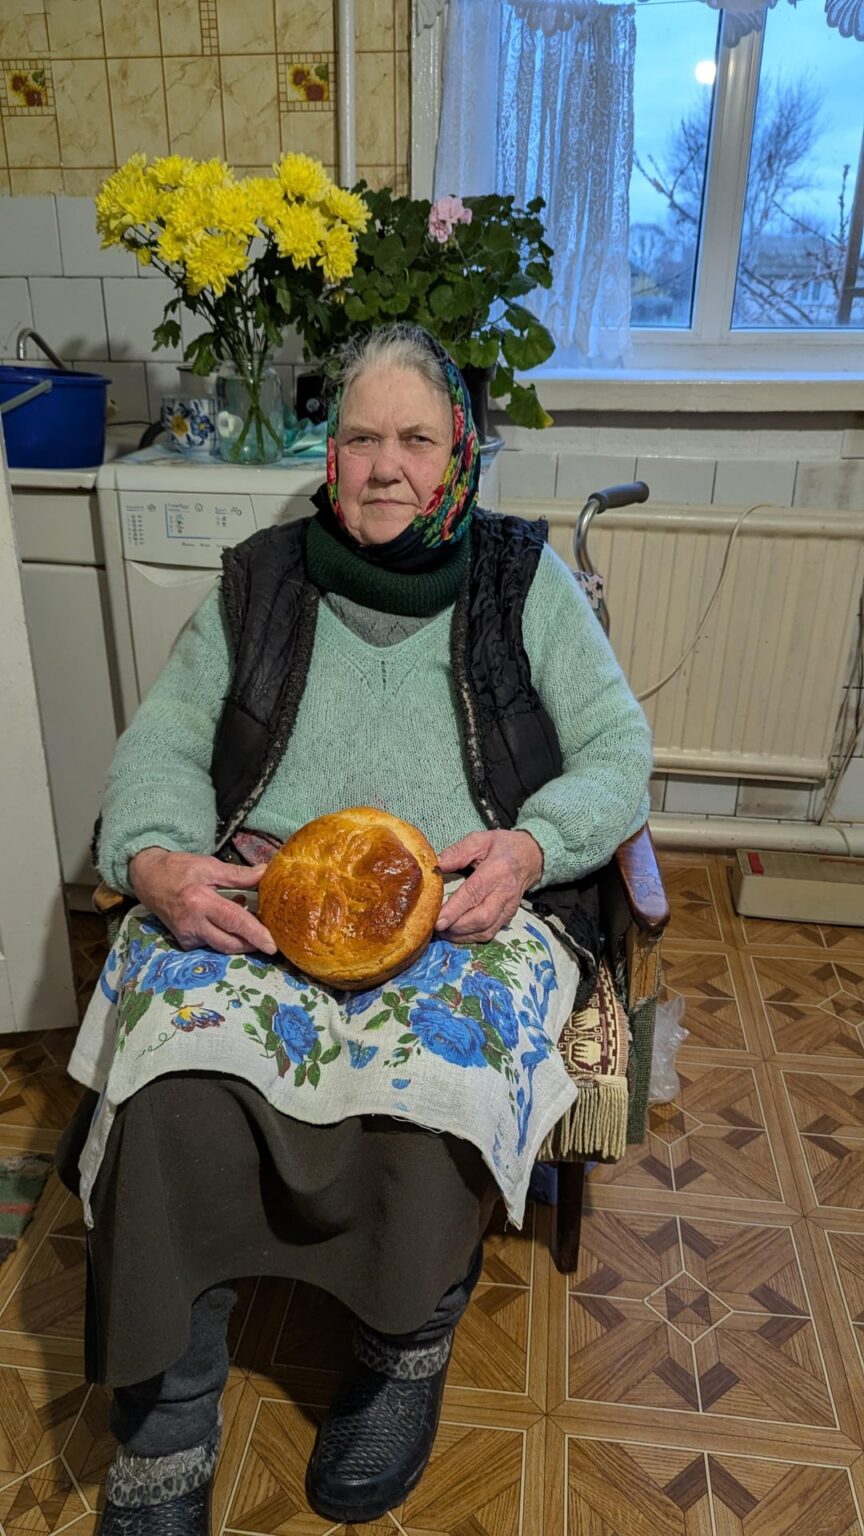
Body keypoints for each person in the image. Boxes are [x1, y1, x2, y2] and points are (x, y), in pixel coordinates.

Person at [58, 322, 652, 1532]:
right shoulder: (264, 577)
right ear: (330, 457)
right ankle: (169, 1407)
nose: (385, 466)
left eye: (416, 440)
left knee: (436, 1074)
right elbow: (165, 746)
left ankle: (401, 1346)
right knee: (171, 1075)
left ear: (463, 454)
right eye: (361, 438)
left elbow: (618, 753)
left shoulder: (519, 579)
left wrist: (532, 848)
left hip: (462, 900)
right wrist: (163, 864)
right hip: (267, 891)